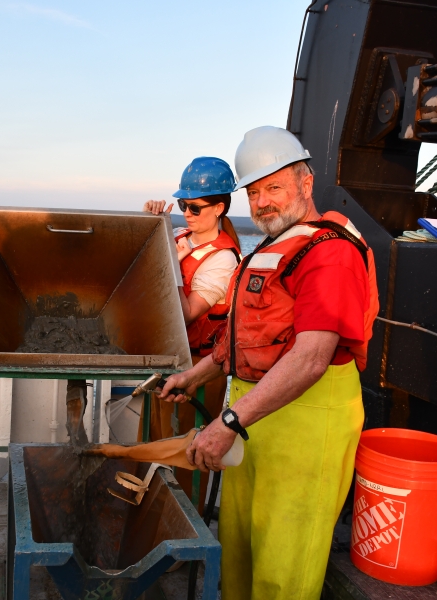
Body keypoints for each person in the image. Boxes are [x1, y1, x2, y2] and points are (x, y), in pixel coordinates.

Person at [159, 126, 379, 599]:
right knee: (239, 552)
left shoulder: (331, 253)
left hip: (304, 424)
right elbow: (242, 337)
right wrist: (192, 377)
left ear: (306, 183)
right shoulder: (274, 247)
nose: (262, 203)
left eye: (274, 187)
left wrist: (229, 422)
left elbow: (310, 359)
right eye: (254, 192)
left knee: (284, 567)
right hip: (254, 421)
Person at [140, 156, 241, 513]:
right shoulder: (180, 236)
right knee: (152, 446)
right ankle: (151, 518)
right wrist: (153, 225)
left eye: (195, 207)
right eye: (182, 205)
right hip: (164, 359)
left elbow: (184, 314)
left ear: (219, 207)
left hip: (197, 369)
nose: (187, 213)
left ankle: (183, 534)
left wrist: (172, 265)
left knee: (185, 456)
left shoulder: (223, 260)